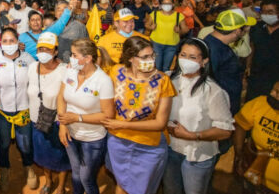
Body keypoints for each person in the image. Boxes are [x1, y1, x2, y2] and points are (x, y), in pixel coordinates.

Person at [103, 36, 176, 194]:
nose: (150, 60)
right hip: (119, 141)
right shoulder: (115, 72)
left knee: (142, 188)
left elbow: (160, 123)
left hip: (148, 145)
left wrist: (123, 124)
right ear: (130, 58)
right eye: (144, 57)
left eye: (152, 56)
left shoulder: (163, 81)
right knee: (121, 183)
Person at [163, 38, 234, 194]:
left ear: (204, 61)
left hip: (197, 155)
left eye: (193, 57)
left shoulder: (212, 91)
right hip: (170, 150)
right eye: (183, 55)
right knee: (170, 190)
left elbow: (225, 130)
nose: (186, 60)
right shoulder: (167, 79)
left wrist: (192, 135)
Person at [57, 39, 115, 194]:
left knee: (86, 178)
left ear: (88, 58)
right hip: (70, 134)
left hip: (92, 139)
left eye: (74, 55)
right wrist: (63, 124)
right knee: (76, 174)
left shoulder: (103, 81)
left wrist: (77, 118)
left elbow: (108, 115)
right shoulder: (70, 71)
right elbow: (61, 97)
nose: (71, 58)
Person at [0, 28, 37, 192]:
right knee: (3, 144)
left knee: (25, 144)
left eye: (12, 40)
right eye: (5, 41)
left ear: (18, 41)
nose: (9, 44)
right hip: (2, 111)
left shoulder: (28, 59)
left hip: (24, 109)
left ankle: (28, 167)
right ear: (0, 43)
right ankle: (4, 170)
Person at [27, 32, 71, 194]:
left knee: (61, 156)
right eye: (41, 49)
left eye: (48, 50)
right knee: (43, 155)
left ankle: (60, 186)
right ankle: (48, 180)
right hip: (37, 121)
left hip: (57, 123)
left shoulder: (64, 70)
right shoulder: (32, 68)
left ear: (56, 51)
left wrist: (64, 124)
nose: (43, 53)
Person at [204, 9, 256, 116]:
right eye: (245, 28)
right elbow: (207, 81)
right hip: (220, 108)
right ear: (237, 31)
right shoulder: (214, 49)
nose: (247, 30)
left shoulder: (217, 44)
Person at [233, 81, 279, 194]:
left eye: (278, 92)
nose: (272, 94)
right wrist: (239, 152)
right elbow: (240, 124)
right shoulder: (260, 103)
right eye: (273, 89)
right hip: (253, 174)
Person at [245, 0, 279, 101]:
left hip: (276, 77)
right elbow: (252, 47)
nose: (266, 15)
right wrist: (248, 67)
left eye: (270, 12)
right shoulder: (257, 28)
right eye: (263, 12)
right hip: (257, 75)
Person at [145, 0, 189, 72]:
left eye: (169, 3)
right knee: (157, 66)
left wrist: (180, 31)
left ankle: (165, 82)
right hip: (156, 44)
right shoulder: (155, 14)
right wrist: (151, 27)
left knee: (166, 67)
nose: (166, 5)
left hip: (172, 45)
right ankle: (158, 82)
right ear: (161, 5)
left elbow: (186, 29)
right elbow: (147, 25)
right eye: (164, 3)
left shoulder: (178, 15)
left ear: (173, 4)